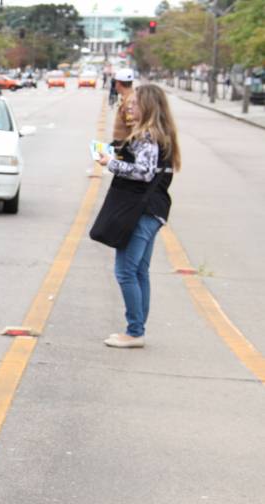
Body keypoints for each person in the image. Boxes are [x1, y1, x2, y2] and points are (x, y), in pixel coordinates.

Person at [97, 84, 181, 348]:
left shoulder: (147, 136)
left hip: (141, 211)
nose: (129, 106)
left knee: (125, 271)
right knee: (139, 271)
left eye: (135, 103)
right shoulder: (162, 135)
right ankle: (137, 329)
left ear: (148, 106)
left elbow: (144, 172)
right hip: (153, 210)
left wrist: (110, 163)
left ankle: (134, 332)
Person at [112, 68, 136, 144]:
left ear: (118, 83)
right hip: (119, 143)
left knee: (97, 149)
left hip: (123, 145)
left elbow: (133, 126)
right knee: (96, 148)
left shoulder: (130, 102)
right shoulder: (128, 98)